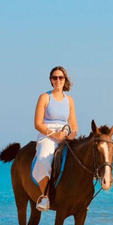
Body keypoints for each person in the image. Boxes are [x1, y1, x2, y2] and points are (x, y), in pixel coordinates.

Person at [33, 66, 78, 211]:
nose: (58, 80)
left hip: (65, 135)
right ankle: (45, 197)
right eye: (55, 78)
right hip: (48, 136)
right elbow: (37, 124)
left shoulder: (69, 100)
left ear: (65, 80)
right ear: (51, 80)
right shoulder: (45, 97)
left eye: (61, 78)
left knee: (83, 158)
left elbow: (74, 124)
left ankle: (80, 197)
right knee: (43, 160)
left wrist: (73, 133)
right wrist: (54, 134)